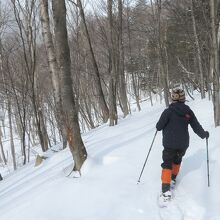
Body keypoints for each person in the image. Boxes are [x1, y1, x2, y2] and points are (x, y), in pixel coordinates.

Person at [156, 88, 209, 201]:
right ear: (184, 98)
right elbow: (196, 126)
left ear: (173, 98)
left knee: (167, 164)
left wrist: (161, 124)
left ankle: (165, 189)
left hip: (169, 144)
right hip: (183, 144)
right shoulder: (188, 112)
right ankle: (173, 178)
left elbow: (159, 127)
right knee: (177, 161)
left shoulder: (168, 112)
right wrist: (204, 134)